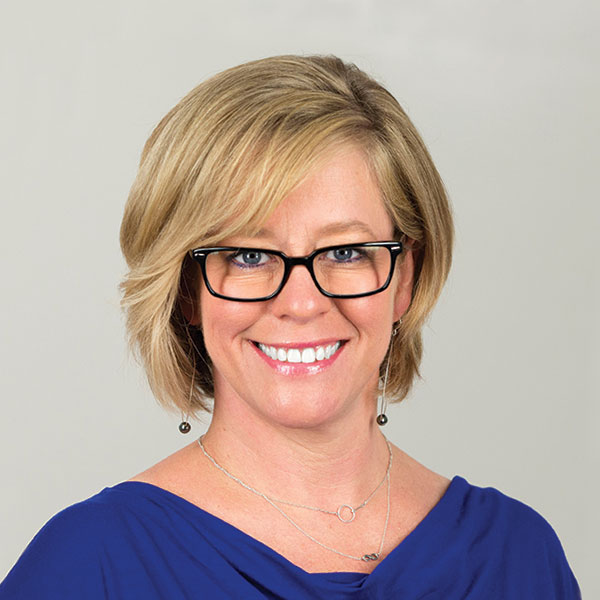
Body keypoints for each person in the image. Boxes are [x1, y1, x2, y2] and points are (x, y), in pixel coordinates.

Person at [0, 54, 581, 599]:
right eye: (249, 255)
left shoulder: (518, 557)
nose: (301, 304)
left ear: (406, 277)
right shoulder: (88, 567)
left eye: (348, 252)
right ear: (187, 292)